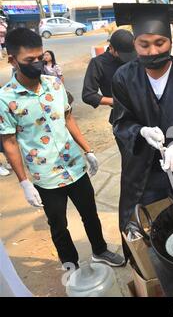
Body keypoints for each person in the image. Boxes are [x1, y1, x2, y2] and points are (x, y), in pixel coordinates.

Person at [0, 28, 124, 269]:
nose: (37, 64)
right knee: (58, 225)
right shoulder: (5, 99)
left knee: (90, 214)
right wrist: (24, 182)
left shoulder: (54, 85)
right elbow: (9, 142)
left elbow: (68, 119)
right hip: (45, 176)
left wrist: (88, 150)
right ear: (12, 60)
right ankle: (70, 264)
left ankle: (100, 250)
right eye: (29, 61)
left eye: (40, 58)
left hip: (74, 166)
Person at [111, 3, 173, 243]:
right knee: (144, 232)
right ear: (135, 44)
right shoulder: (124, 77)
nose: (152, 51)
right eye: (144, 45)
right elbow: (120, 122)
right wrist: (140, 131)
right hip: (142, 171)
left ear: (171, 41)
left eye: (160, 43)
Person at [82, 29, 136, 125]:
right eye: (123, 55)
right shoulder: (98, 63)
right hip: (122, 116)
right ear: (111, 48)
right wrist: (117, 102)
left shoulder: (136, 56)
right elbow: (88, 95)